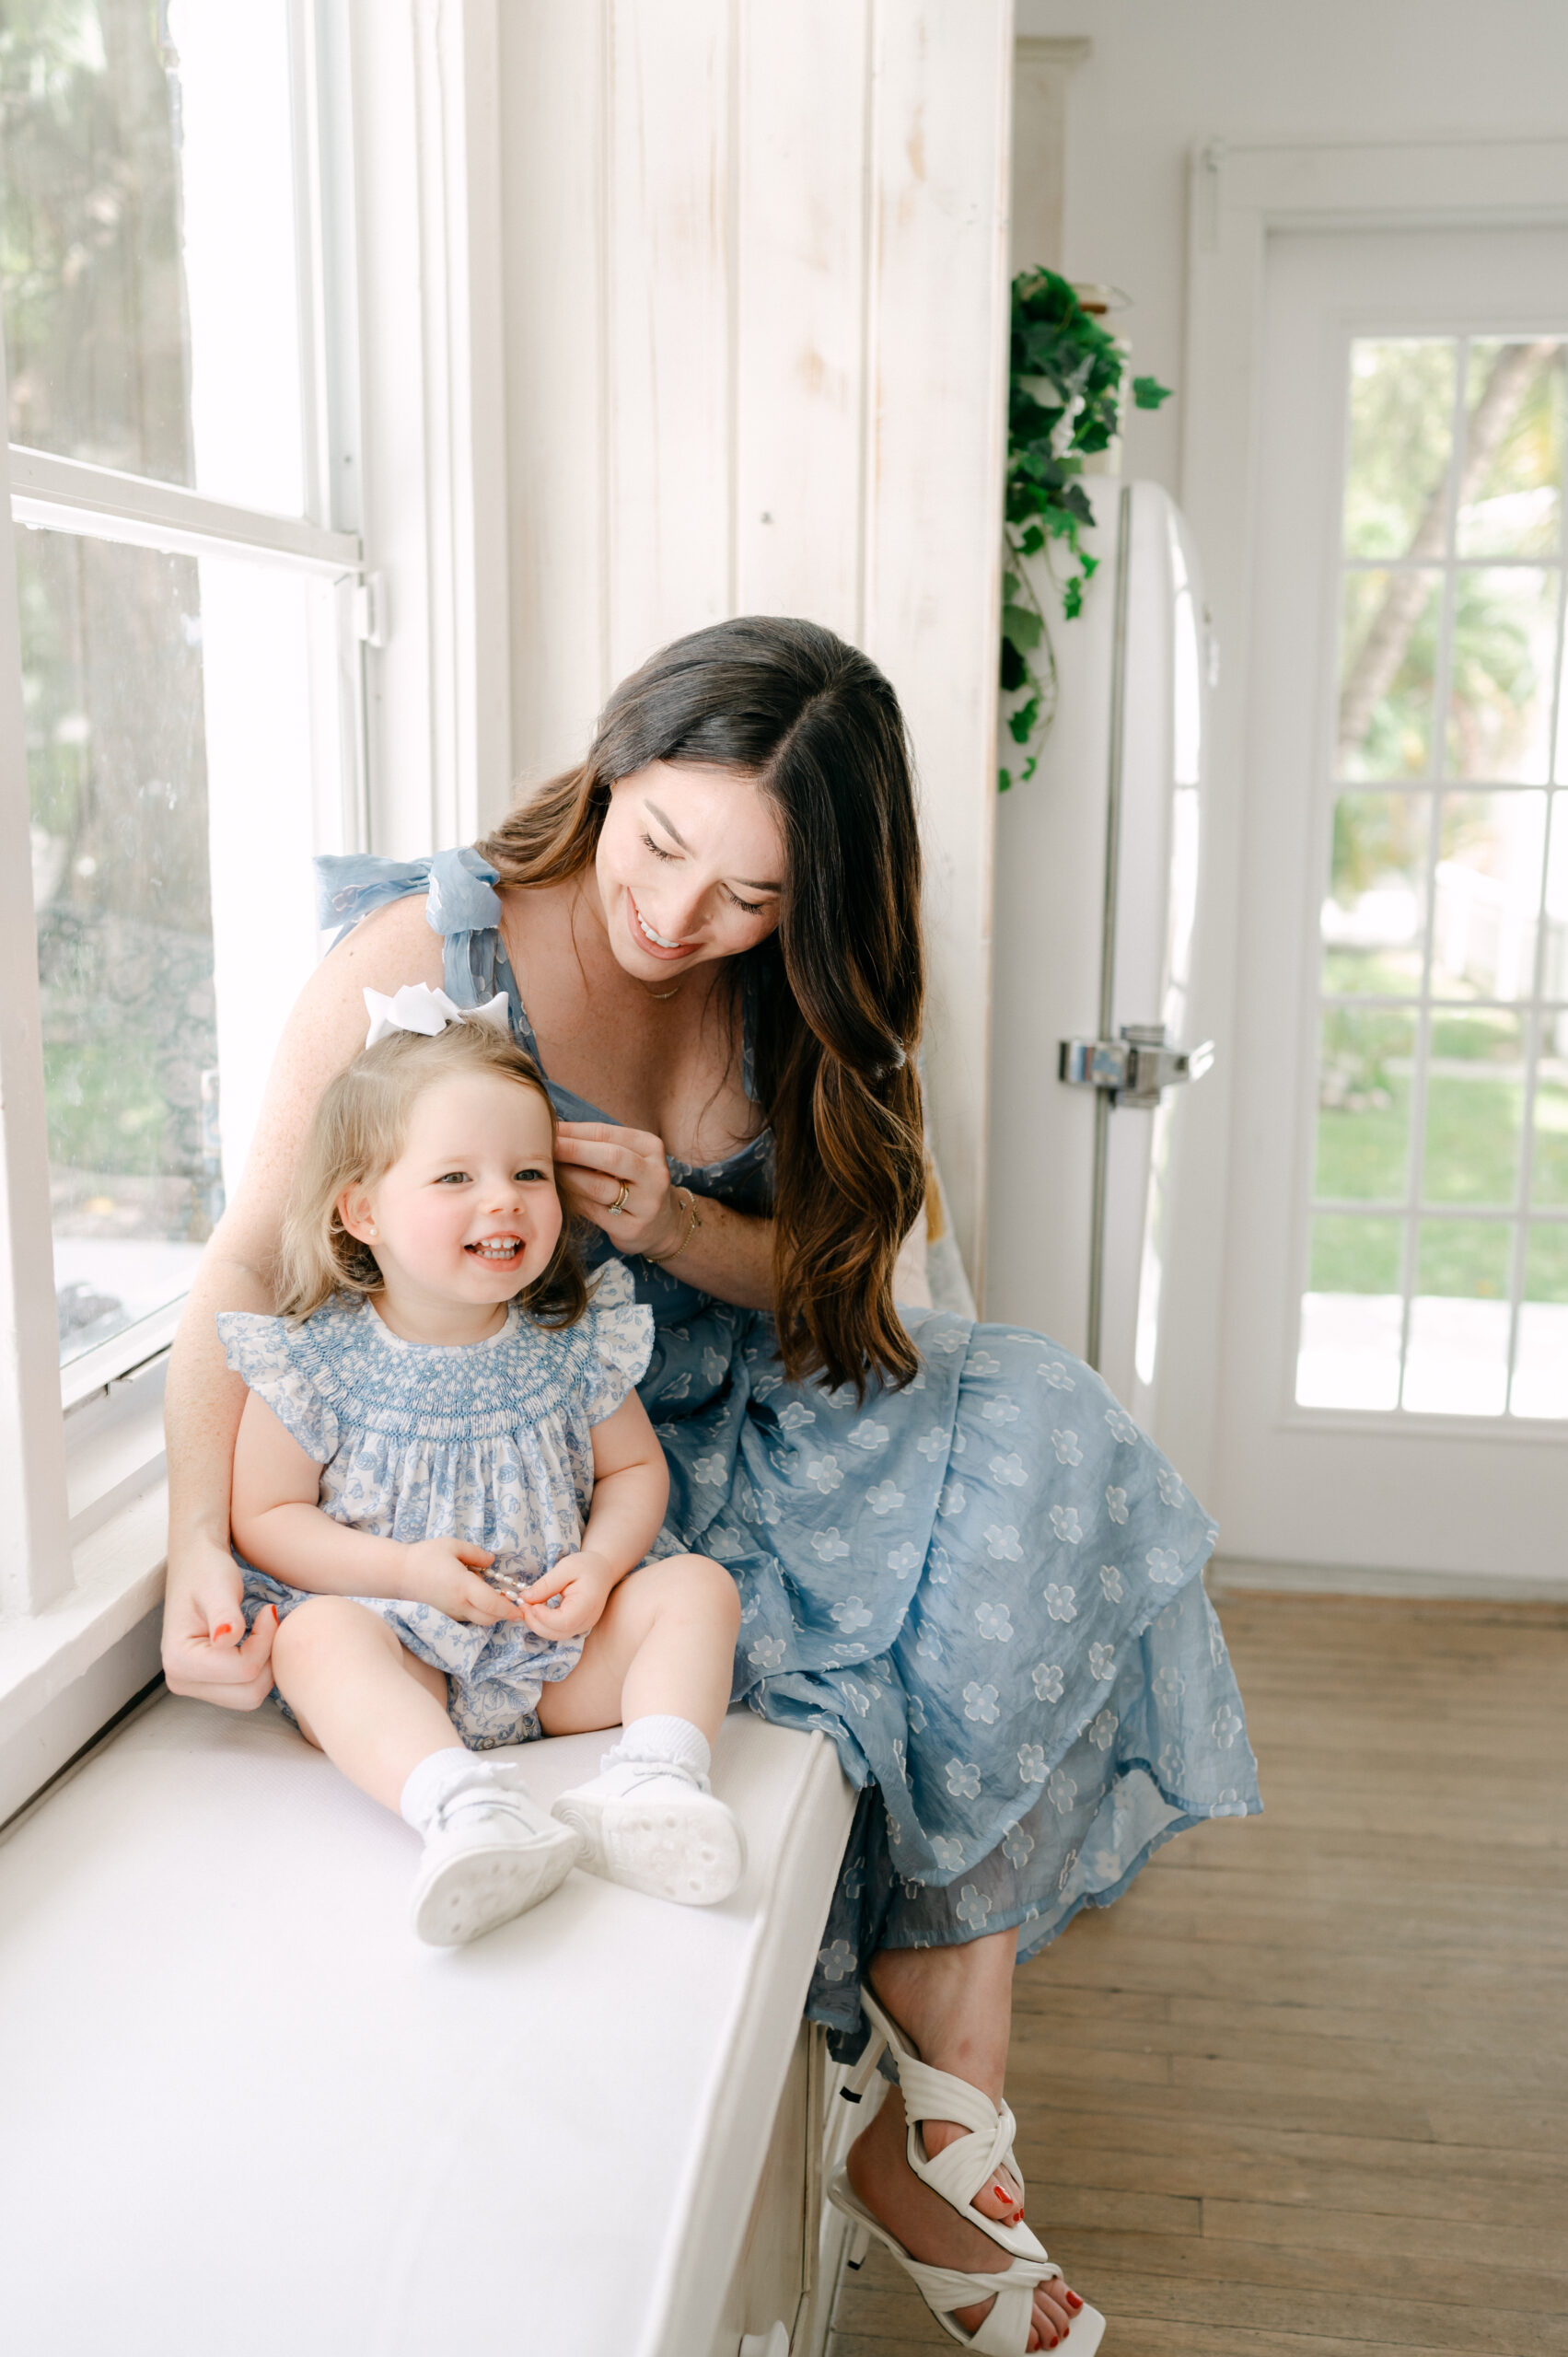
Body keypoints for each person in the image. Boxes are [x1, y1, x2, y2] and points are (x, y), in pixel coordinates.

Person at [161, 616, 1259, 2354]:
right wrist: (185, 1545)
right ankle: (938, 2150)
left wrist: (673, 1222)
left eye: (747, 899)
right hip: (531, 1460)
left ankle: (946, 2116)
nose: (678, 920)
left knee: (1053, 1435)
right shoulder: (421, 954)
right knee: (826, 1620)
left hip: (739, 1412)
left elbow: (838, 1293)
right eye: (661, 845)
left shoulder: (804, 992)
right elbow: (243, 1267)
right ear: (613, 761)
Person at [218, 1001, 746, 1945]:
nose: (502, 1198)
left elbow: (633, 1473)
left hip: (553, 1653)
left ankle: (654, 1782)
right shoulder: (320, 1360)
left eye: (528, 1173)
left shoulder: (566, 1341)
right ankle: (462, 1807)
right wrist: (404, 1571)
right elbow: (265, 1514)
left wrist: (598, 1564)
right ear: (363, 1209)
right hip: (404, 1656)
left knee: (697, 1588)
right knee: (313, 1641)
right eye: (456, 1175)